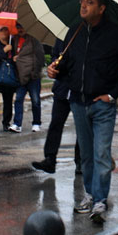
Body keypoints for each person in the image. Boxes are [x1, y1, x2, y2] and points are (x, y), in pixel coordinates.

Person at [46, 0, 118, 224]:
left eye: (89, 2)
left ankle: (100, 200)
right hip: (78, 102)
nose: (83, 6)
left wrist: (112, 95)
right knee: (86, 155)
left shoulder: (117, 35)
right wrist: (54, 70)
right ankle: (89, 194)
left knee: (101, 154)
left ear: (101, 8)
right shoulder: (74, 31)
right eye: (82, 1)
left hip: (103, 105)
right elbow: (67, 67)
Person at [31, 39, 81, 174]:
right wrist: (53, 66)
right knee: (56, 124)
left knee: (81, 127)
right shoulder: (62, 38)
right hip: (62, 88)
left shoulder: (86, 36)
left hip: (79, 90)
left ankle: (80, 161)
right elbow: (55, 55)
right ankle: (50, 158)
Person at [9, 22, 44, 133]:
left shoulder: (34, 39)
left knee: (35, 101)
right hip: (20, 76)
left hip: (33, 77)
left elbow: (40, 57)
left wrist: (35, 72)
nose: (20, 29)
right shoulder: (14, 40)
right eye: (18, 27)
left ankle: (36, 123)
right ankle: (17, 123)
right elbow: (13, 55)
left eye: (22, 27)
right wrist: (14, 58)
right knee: (18, 99)